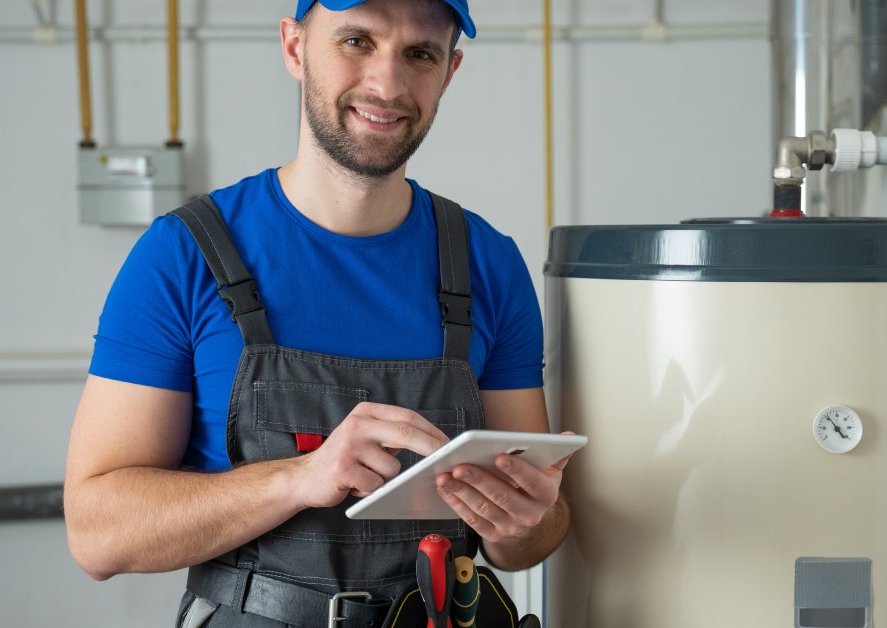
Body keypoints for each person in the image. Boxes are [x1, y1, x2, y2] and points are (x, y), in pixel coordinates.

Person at [62, 0, 570, 625]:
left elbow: (531, 539)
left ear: (450, 71)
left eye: (419, 54)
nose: (387, 84)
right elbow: (96, 535)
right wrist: (299, 478)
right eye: (357, 40)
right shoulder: (182, 255)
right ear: (296, 48)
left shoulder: (489, 264)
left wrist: (527, 521)